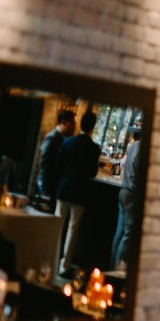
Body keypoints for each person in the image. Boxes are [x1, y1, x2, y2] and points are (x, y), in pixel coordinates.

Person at [56, 111, 101, 277]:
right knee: (72, 230)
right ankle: (64, 266)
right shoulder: (93, 148)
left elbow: (58, 165)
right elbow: (92, 173)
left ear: (80, 124)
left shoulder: (68, 142)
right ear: (93, 126)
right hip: (80, 192)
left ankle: (52, 260)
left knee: (57, 226)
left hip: (64, 188)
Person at [110, 126, 143, 272]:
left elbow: (125, 165)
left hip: (123, 190)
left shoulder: (132, 146)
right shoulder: (143, 148)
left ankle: (112, 267)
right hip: (132, 192)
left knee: (119, 233)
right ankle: (118, 271)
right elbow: (138, 172)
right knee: (128, 234)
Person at [36, 109, 75, 210]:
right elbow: (44, 164)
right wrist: (45, 190)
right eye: (72, 123)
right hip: (47, 186)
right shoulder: (52, 138)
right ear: (63, 123)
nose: (74, 127)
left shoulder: (61, 138)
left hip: (52, 186)